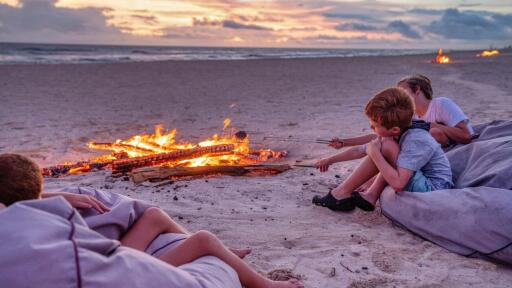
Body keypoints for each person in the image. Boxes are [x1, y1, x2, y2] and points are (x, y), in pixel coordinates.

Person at [0, 153, 302, 288]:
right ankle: (265, 285)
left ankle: (223, 252)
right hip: (120, 270)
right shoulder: (43, 231)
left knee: (155, 215)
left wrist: (52, 194)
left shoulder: (16, 224)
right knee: (204, 240)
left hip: (105, 259)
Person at [313, 88, 453, 212]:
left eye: (374, 126)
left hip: (433, 188)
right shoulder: (401, 129)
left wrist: (374, 154)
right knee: (384, 145)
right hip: (422, 179)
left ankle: (340, 194)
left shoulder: (416, 139)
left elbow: (398, 184)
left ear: (394, 129)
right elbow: (360, 150)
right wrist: (329, 160)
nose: (371, 128)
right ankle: (369, 196)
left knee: (386, 146)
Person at [329, 74, 474, 149]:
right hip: (430, 148)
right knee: (388, 141)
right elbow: (381, 133)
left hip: (453, 145)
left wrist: (434, 126)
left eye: (403, 91)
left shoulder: (441, 104)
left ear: (417, 90)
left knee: (434, 133)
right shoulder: (409, 114)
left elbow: (467, 136)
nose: (400, 96)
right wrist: (344, 142)